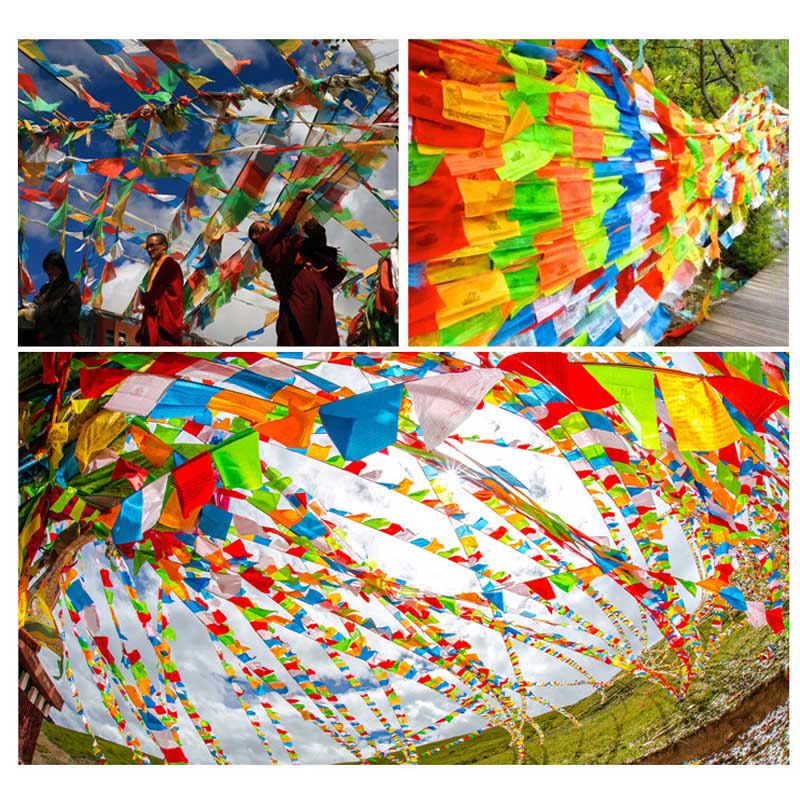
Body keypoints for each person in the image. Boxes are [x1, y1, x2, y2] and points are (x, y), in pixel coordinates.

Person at [249, 190, 344, 346]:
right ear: (255, 236)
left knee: (323, 326)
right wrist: (300, 197)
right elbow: (286, 223)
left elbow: (315, 246)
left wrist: (315, 230)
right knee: (304, 330)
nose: (268, 225)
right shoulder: (265, 244)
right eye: (264, 225)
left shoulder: (287, 243)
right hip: (299, 288)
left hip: (314, 284)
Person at [19, 250, 81, 346]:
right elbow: (37, 302)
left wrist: (42, 313)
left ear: (61, 268)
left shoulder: (71, 288)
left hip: (61, 336)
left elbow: (69, 316)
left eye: (52, 268)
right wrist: (30, 307)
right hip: (42, 333)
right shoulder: (45, 289)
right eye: (47, 269)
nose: (49, 272)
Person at [136, 232, 184, 346]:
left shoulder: (170, 265)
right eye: (147, 247)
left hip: (163, 320)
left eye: (152, 245)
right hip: (152, 318)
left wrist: (148, 298)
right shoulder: (156, 267)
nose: (149, 249)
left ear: (164, 246)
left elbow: (174, 294)